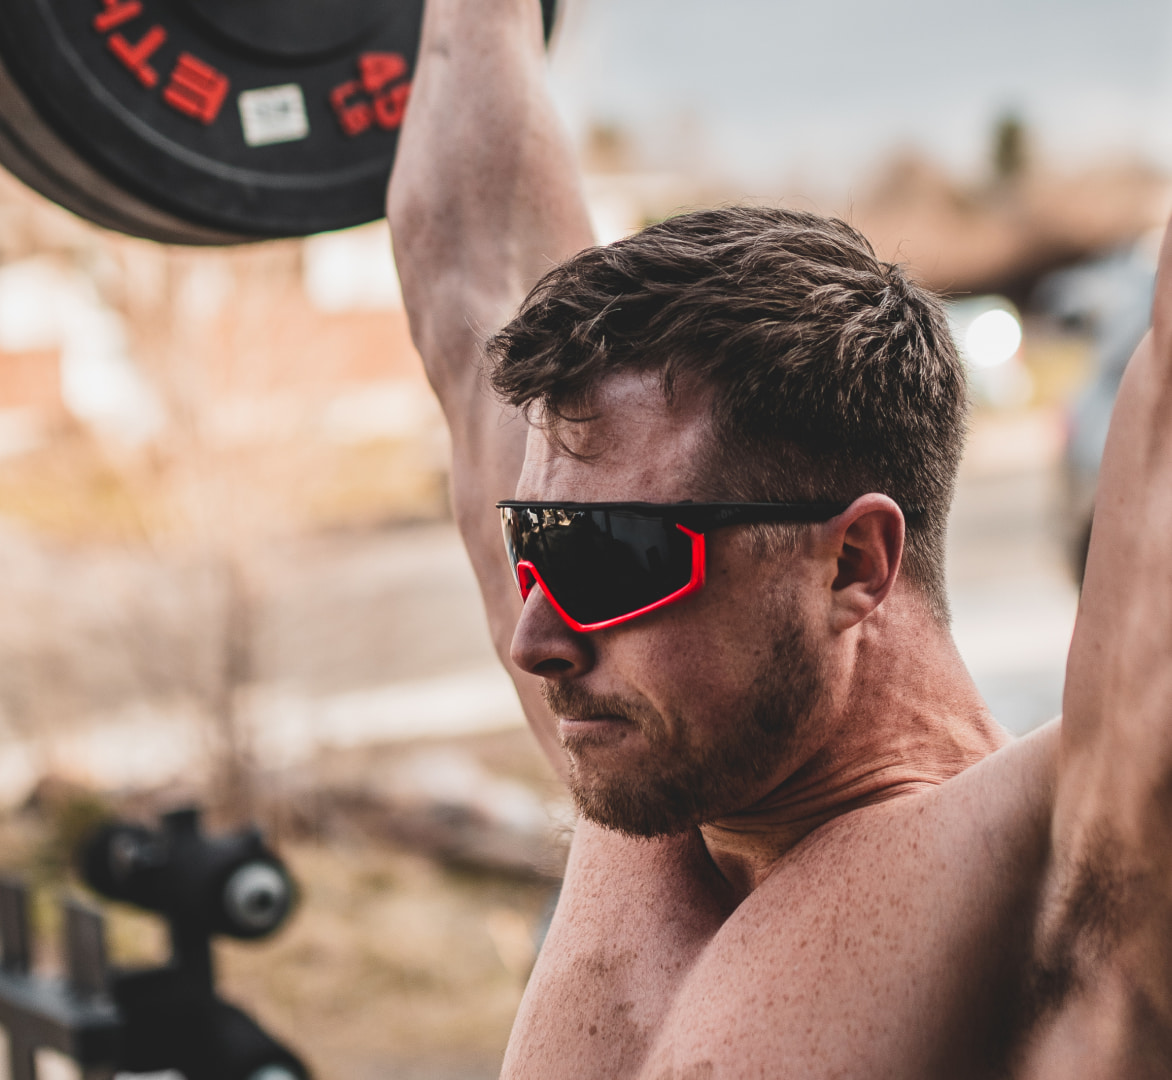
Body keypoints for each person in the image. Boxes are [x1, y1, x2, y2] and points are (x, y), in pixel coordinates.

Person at [388, 1, 1172, 1074]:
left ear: (851, 564)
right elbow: (465, 258)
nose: (536, 637)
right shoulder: (648, 780)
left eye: (609, 558)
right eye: (539, 541)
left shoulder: (1060, 877)